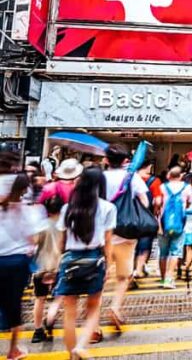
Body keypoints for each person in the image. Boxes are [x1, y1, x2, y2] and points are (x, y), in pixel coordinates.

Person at [55, 166, 117, 360]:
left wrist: (60, 261)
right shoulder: (108, 207)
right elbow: (108, 241)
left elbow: (61, 241)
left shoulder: (68, 208)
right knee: (93, 309)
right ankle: (81, 346)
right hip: (94, 259)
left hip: (71, 259)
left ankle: (72, 355)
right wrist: (109, 264)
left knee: (69, 313)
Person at [102, 143, 149, 332]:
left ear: (106, 160)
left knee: (100, 278)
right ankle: (115, 307)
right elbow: (144, 201)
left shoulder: (99, 178)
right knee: (123, 277)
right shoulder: (132, 178)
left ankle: (94, 324)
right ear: (125, 161)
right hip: (126, 233)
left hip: (102, 233)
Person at [0, 174, 44, 360]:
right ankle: (13, 350)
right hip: (17, 263)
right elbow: (34, 239)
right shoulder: (29, 211)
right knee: (14, 305)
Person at [31, 194, 65, 344]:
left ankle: (38, 331)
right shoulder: (65, 225)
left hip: (41, 266)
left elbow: (33, 244)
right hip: (59, 266)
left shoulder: (41, 225)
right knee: (59, 296)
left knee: (40, 298)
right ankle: (50, 317)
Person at [159, 165, 192, 288]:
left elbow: (157, 203)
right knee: (175, 252)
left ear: (169, 176)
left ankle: (163, 279)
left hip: (163, 225)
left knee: (163, 253)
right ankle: (169, 279)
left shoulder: (162, 187)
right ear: (181, 176)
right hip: (180, 224)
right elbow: (190, 202)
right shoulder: (187, 187)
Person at [133, 160, 163, 283]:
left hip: (130, 215)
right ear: (148, 166)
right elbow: (158, 201)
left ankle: (131, 269)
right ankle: (139, 269)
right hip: (147, 216)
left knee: (131, 243)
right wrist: (155, 213)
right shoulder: (154, 181)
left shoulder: (130, 179)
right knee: (145, 242)